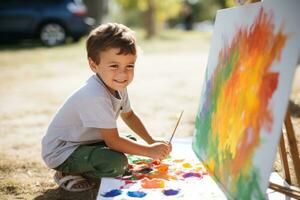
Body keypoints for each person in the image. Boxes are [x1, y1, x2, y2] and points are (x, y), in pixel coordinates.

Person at [41, 23, 172, 192]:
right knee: (117, 163)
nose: (123, 74)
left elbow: (129, 116)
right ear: (93, 65)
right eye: (114, 66)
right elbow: (113, 141)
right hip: (63, 152)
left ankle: (93, 162)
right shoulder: (95, 95)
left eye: (129, 66)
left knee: (131, 142)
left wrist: (151, 141)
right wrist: (149, 151)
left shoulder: (118, 85)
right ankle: (66, 171)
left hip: (85, 142)